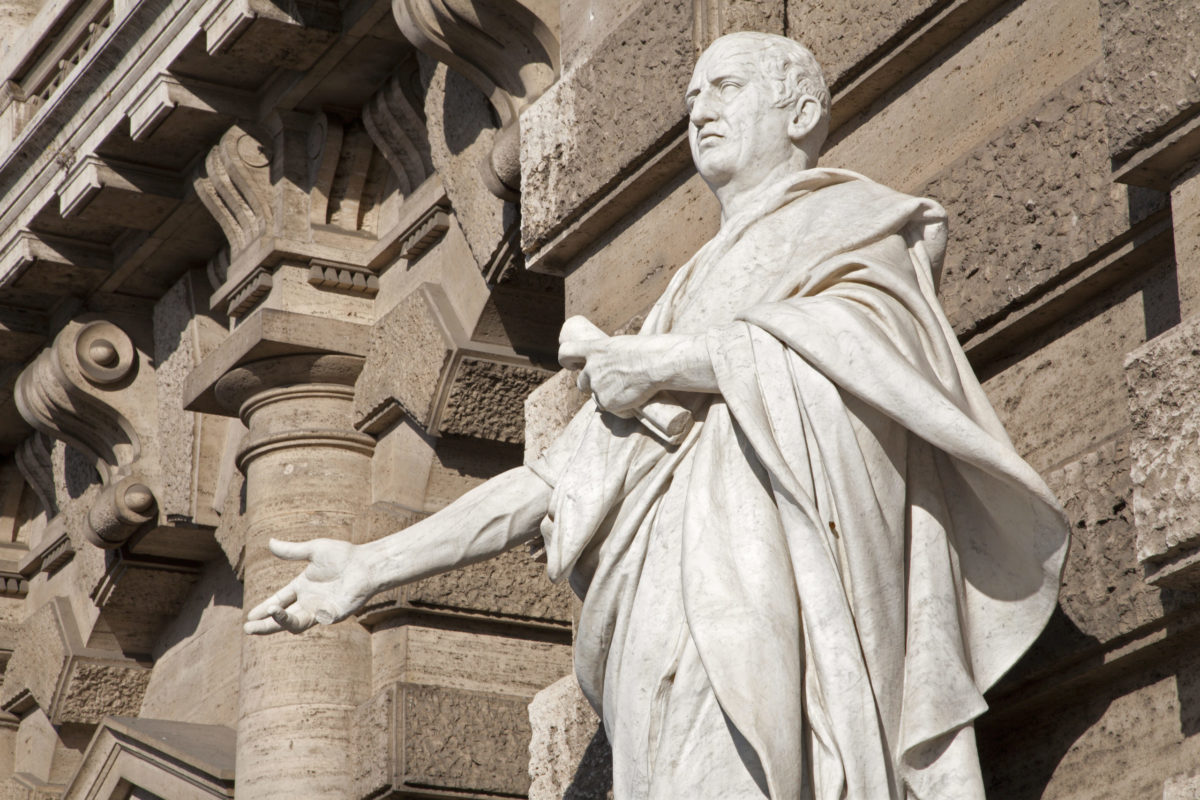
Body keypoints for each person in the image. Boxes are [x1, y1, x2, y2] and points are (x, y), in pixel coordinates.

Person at [246, 31, 1069, 800]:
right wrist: (373, 565)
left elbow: (874, 369)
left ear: (802, 113)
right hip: (660, 606)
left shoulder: (853, 230)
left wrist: (671, 363)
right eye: (690, 95)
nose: (700, 109)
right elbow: (550, 479)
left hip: (770, 585)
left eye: (727, 87)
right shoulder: (684, 290)